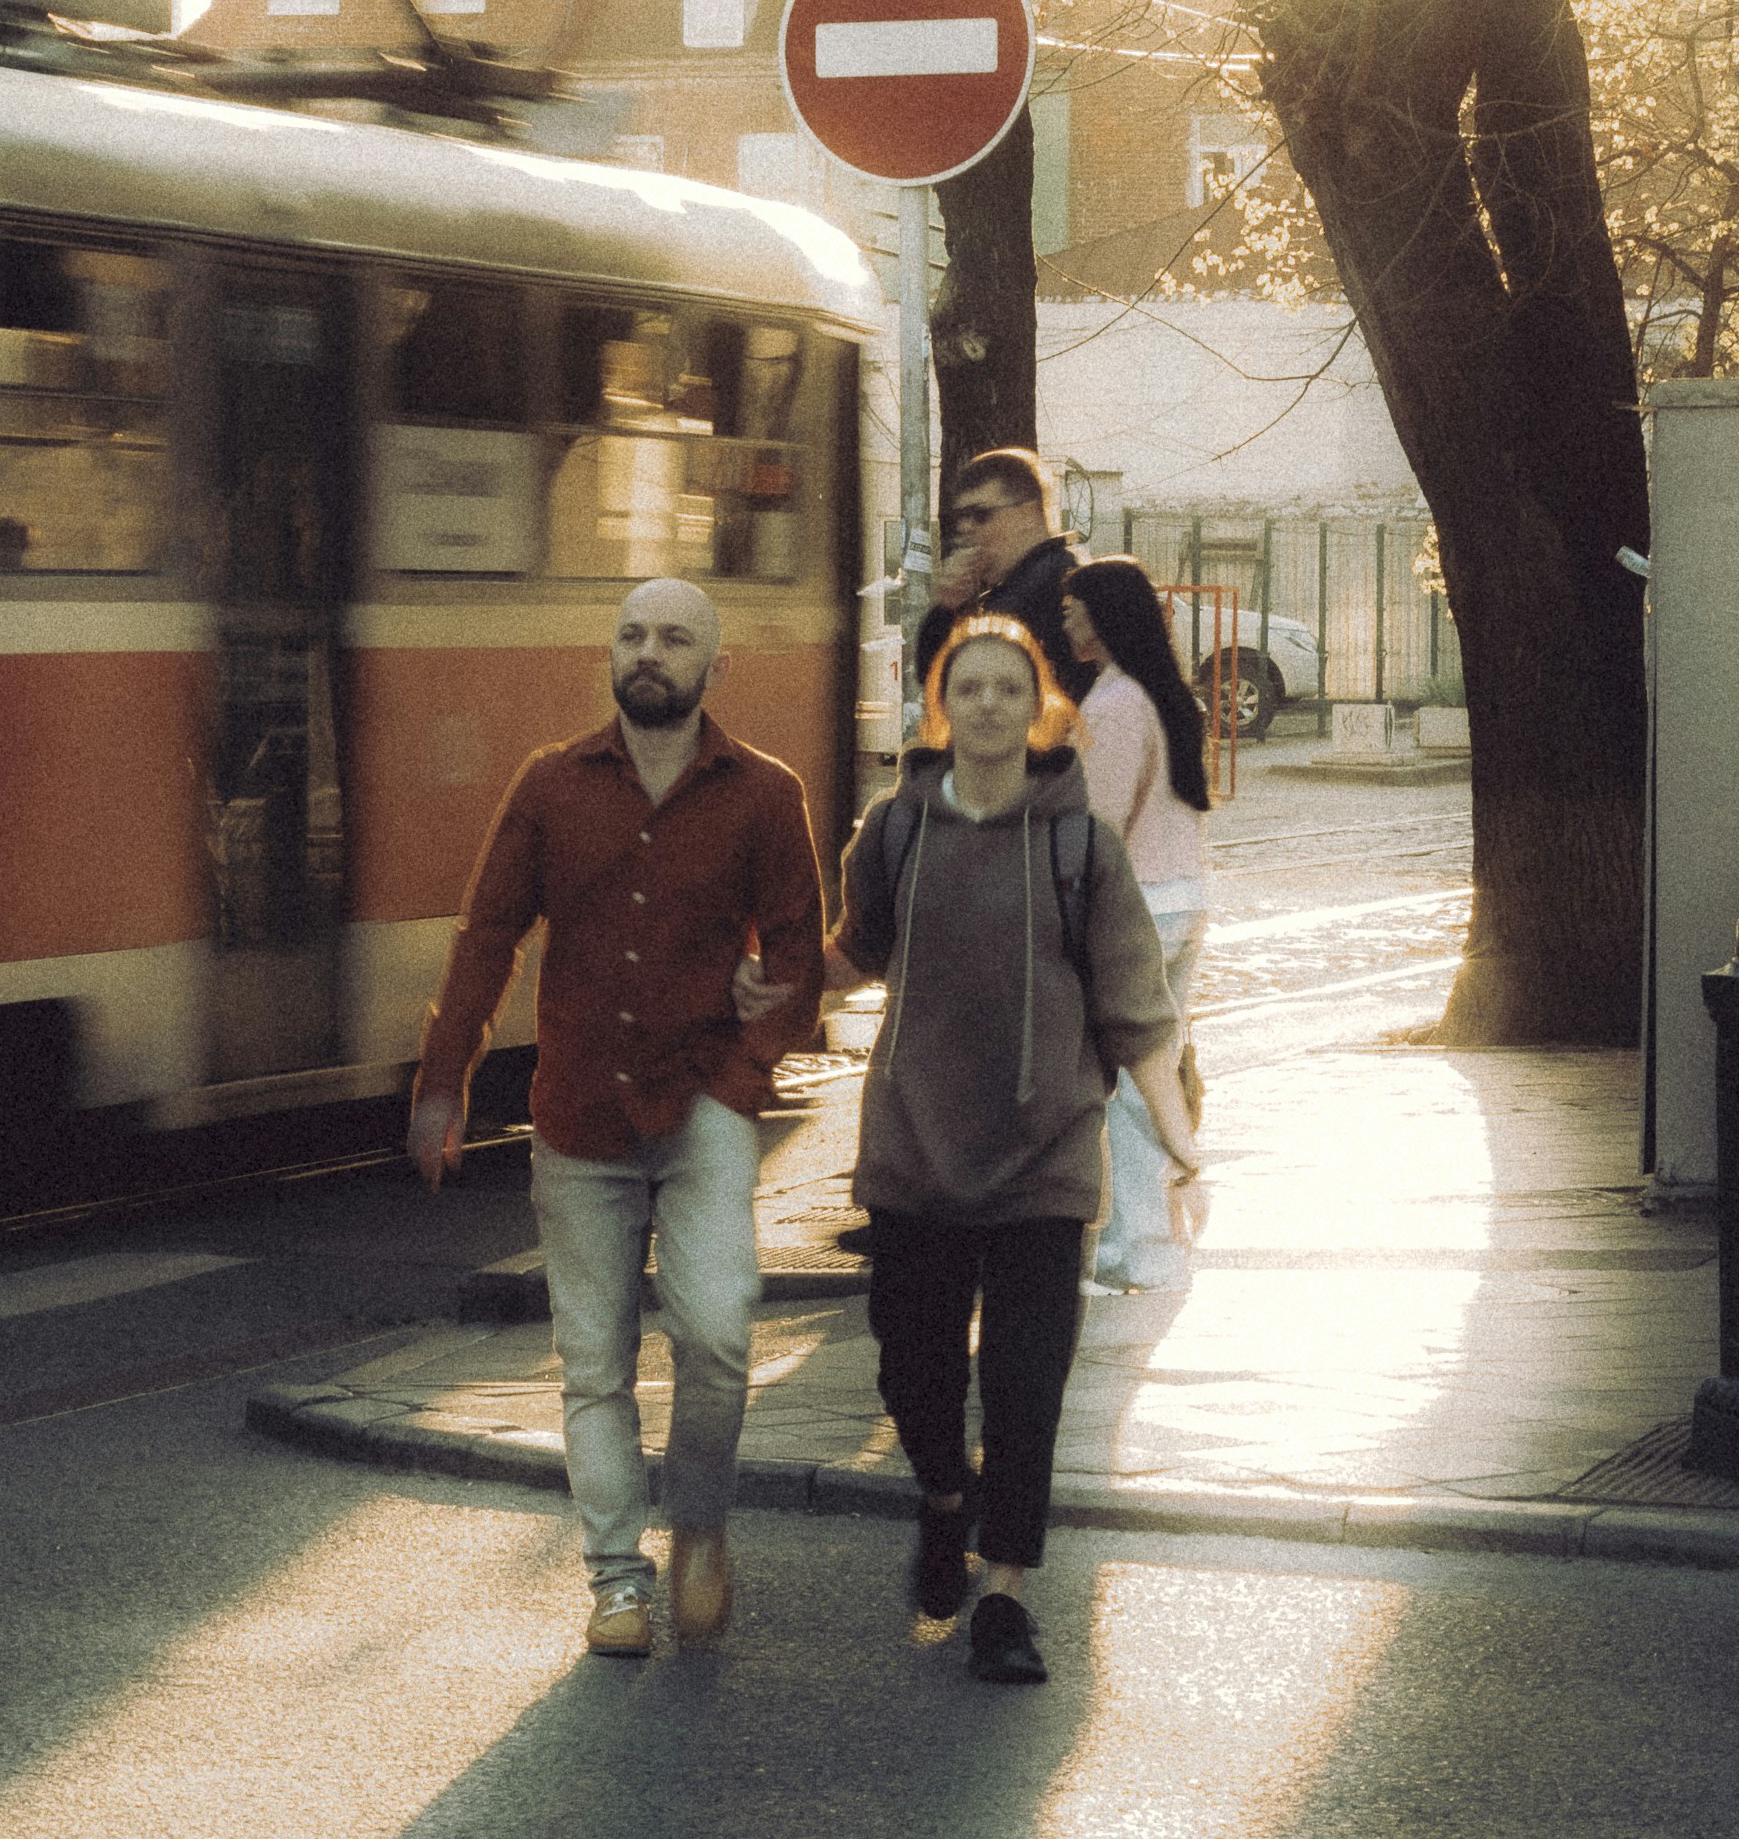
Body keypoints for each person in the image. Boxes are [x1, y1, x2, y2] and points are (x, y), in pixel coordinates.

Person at [410, 577, 828, 1654]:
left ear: (715, 668)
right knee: (593, 1362)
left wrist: (742, 1077)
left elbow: (796, 963)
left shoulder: (767, 795)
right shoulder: (550, 786)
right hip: (579, 1116)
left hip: (702, 1105)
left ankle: (699, 1527)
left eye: (675, 637)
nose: (651, 651)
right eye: (633, 633)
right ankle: (616, 1579)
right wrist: (445, 1081)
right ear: (610, 653)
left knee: (718, 1332)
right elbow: (486, 936)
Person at [830, 610, 1198, 1684]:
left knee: (1028, 1386)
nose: (988, 704)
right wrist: (764, 986)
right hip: (915, 1150)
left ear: (1039, 707)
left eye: (1008, 686)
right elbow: (854, 949)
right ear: (941, 706)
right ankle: (946, 1496)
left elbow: (1139, 1005)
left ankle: (1005, 1596)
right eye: (968, 686)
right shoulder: (895, 829)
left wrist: (1175, 1134)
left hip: (1043, 1158)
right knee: (915, 1371)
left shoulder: (1082, 845)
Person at [1063, 554, 1214, 1290]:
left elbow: (1098, 828)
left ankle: (1140, 1241)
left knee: (1128, 1081)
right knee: (1158, 1067)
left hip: (1139, 907)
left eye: (1073, 608)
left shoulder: (1113, 704)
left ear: (1102, 616)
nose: (1063, 620)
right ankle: (1160, 1225)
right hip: (1181, 894)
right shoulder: (1160, 695)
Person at [914, 446, 1085, 700]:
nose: (966, 527)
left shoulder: (1046, 587)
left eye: (980, 515)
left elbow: (945, 681)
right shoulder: (1025, 582)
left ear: (1028, 514)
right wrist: (946, 608)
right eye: (960, 517)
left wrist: (944, 612)